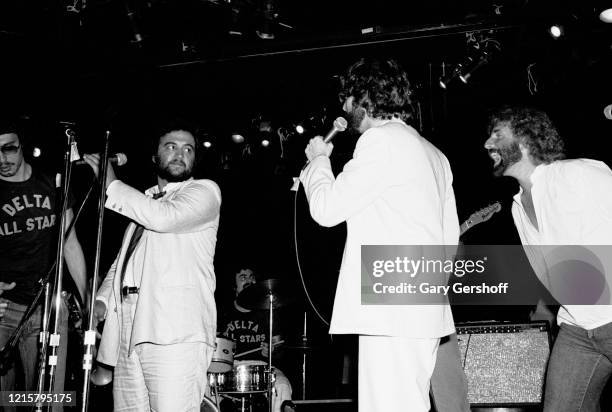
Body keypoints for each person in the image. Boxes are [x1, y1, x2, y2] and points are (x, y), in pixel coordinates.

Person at [299, 58, 463, 412]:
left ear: (364, 96)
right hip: (423, 302)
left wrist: (318, 162)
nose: (344, 107)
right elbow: (450, 242)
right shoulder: (435, 155)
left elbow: (327, 210)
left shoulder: (380, 140)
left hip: (391, 303)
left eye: (347, 98)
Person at [86, 119, 221, 411]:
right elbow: (122, 264)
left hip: (174, 333)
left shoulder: (204, 192)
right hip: (128, 330)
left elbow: (164, 218)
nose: (180, 153)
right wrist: (101, 300)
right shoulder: (147, 202)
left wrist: (112, 184)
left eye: (188, 149)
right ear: (154, 157)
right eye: (171, 147)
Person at [484, 105, 612, 411]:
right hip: (577, 329)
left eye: (497, 134)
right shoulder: (517, 207)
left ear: (525, 140)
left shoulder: (578, 173)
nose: (487, 144)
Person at [0, 118, 88, 412]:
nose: (2, 159)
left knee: (49, 401)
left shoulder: (52, 182)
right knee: (4, 402)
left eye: (9, 149)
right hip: (3, 310)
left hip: (47, 308)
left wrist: (87, 298)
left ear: (21, 146)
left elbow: (70, 242)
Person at [218, 267, 292, 412]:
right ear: (234, 286)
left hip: (262, 367)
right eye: (243, 277)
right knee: (203, 386)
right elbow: (215, 348)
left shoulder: (268, 311)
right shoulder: (222, 312)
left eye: (252, 277)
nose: (249, 281)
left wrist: (272, 352)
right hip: (230, 368)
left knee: (282, 385)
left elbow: (279, 351)